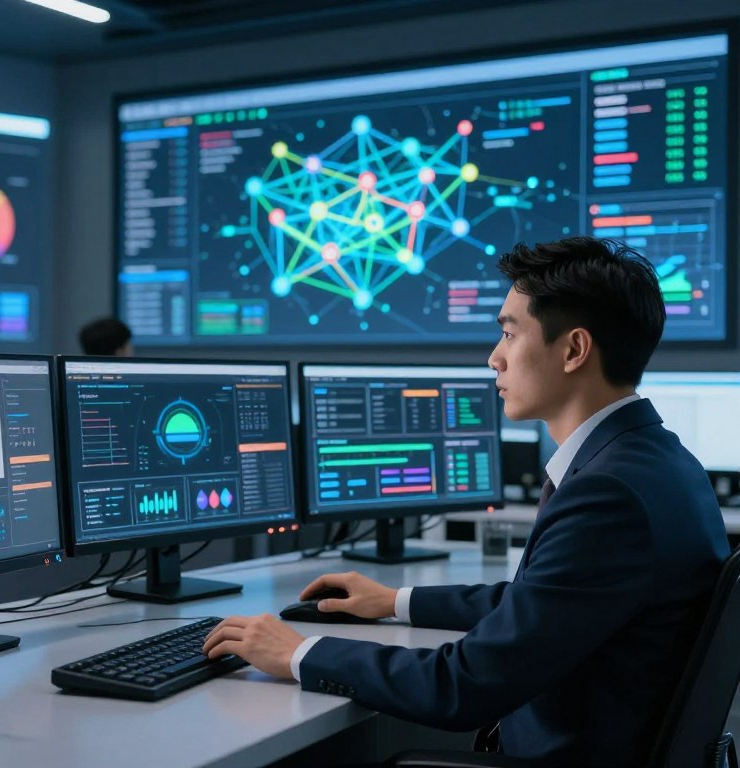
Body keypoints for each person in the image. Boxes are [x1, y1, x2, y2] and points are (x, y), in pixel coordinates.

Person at [203, 236, 730, 767]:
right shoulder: (656, 459)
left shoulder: (608, 493)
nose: (493, 358)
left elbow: (461, 685)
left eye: (508, 333)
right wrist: (395, 601)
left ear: (573, 350)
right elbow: (540, 604)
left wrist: (296, 652)